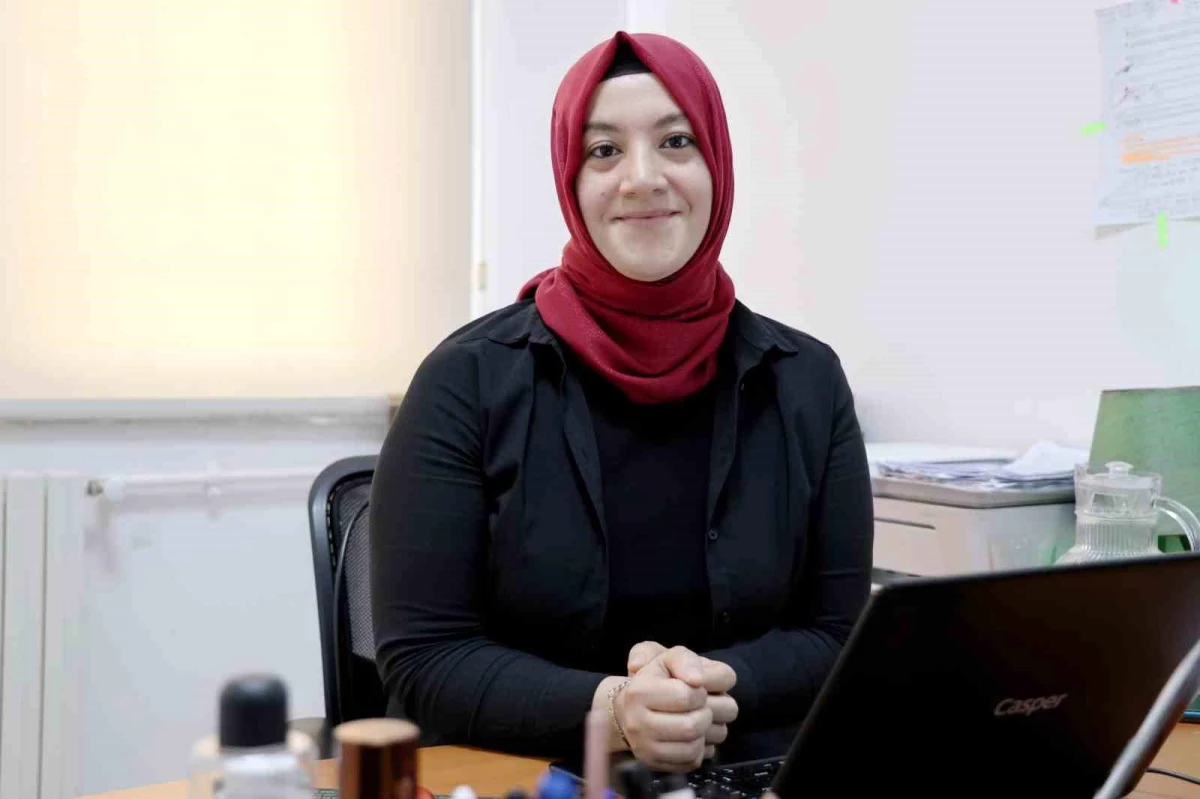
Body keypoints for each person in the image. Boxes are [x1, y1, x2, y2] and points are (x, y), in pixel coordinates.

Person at [370, 31, 873, 773]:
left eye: (676, 141)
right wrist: (614, 710)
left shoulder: (806, 379)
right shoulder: (466, 379)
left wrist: (706, 691)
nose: (642, 178)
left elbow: (836, 633)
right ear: (569, 181)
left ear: (717, 163)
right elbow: (425, 655)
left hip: (733, 769)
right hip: (527, 773)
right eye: (604, 151)